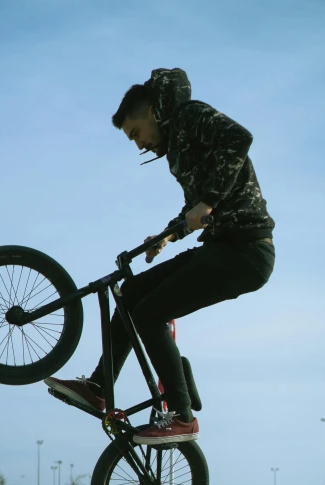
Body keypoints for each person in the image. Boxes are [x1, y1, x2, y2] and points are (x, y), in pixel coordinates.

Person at [45, 67, 275, 445]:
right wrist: (167, 235)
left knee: (150, 313)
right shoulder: (176, 154)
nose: (138, 145)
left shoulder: (190, 116)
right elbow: (195, 210)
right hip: (221, 247)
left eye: (136, 133)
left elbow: (239, 138)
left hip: (247, 251)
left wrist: (209, 200)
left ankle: (182, 417)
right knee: (131, 294)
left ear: (151, 111)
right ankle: (99, 387)